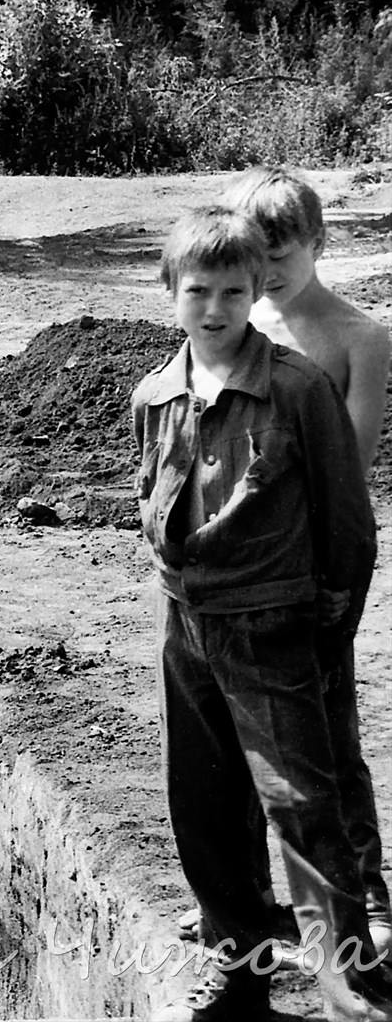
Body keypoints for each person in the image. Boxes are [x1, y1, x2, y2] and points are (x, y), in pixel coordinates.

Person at [133, 207, 389, 1022]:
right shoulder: (155, 393)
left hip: (273, 625)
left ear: (253, 295)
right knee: (204, 806)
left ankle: (348, 982)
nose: (214, 310)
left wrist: (326, 630)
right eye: (198, 291)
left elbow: (346, 522)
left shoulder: (296, 387)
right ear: (171, 292)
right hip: (188, 628)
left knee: (301, 807)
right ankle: (237, 965)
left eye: (233, 292)